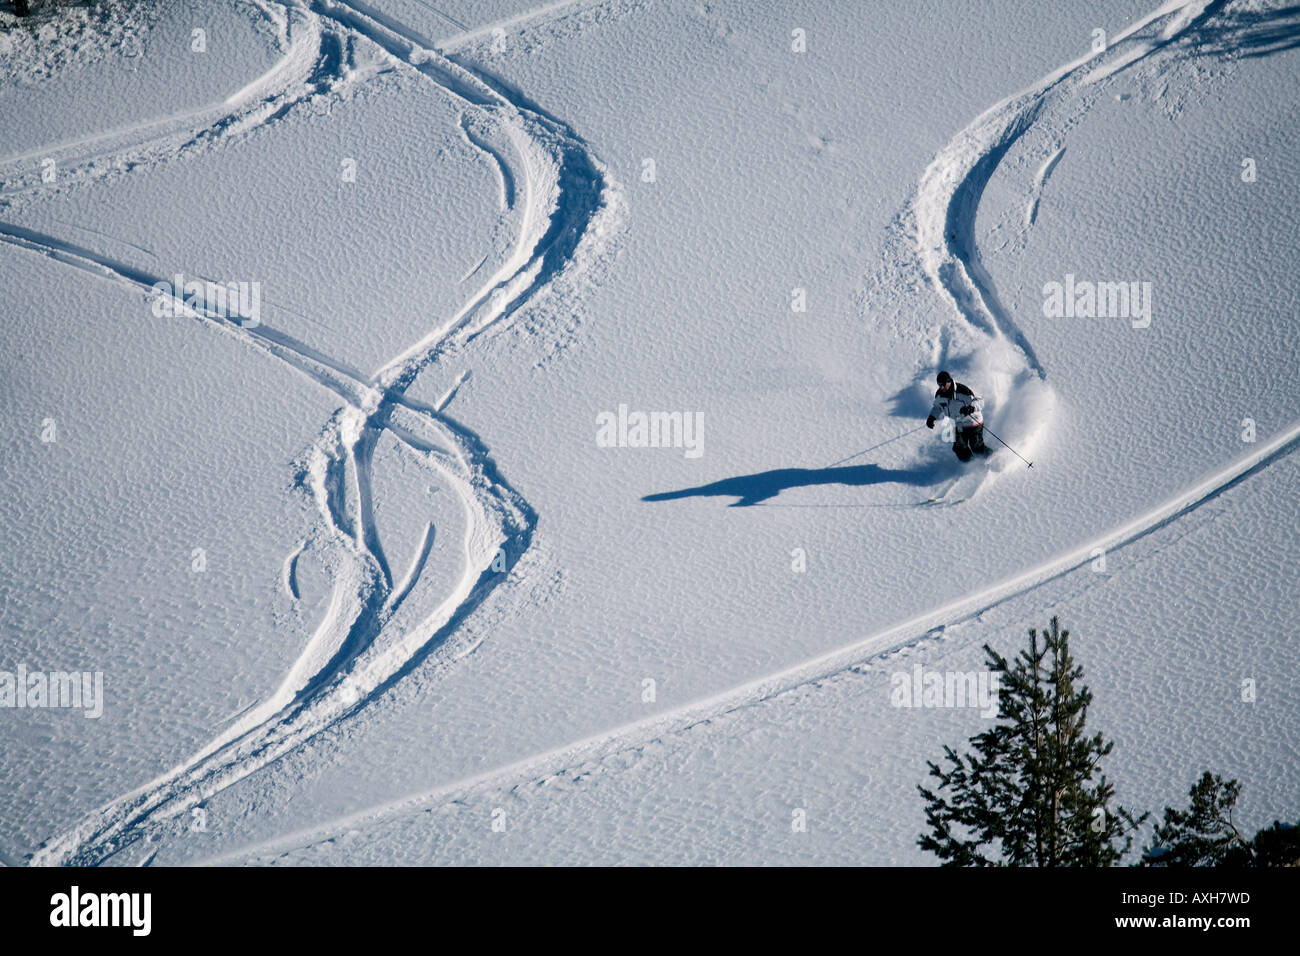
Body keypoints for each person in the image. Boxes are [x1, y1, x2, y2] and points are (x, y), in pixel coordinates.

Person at [926, 370, 989, 461]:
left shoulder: (962, 391)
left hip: (973, 422)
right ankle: (971, 466)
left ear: (949, 381)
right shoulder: (939, 395)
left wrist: (971, 408)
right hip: (958, 424)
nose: (942, 387)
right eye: (939, 385)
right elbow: (937, 407)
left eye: (943, 384)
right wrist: (932, 417)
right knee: (959, 448)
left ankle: (992, 458)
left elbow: (979, 401)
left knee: (976, 447)